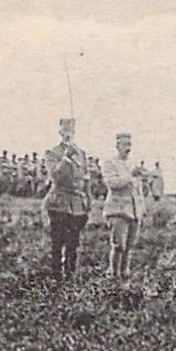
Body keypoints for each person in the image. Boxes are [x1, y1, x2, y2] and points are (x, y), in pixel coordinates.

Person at [43, 117, 93, 283]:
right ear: (59, 132)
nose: (67, 135)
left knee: (73, 243)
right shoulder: (52, 153)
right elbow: (56, 176)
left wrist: (88, 202)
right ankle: (56, 277)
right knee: (58, 242)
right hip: (59, 202)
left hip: (78, 204)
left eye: (70, 132)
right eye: (64, 132)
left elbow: (86, 180)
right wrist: (66, 158)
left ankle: (70, 276)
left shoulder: (82, 154)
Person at [101, 132, 148, 278]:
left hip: (133, 211)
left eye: (129, 145)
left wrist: (144, 182)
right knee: (118, 245)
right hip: (118, 210)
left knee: (129, 245)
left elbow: (138, 190)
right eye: (124, 145)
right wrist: (131, 176)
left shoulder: (131, 165)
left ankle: (124, 273)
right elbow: (112, 184)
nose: (128, 148)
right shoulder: (110, 163)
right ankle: (113, 273)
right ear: (117, 146)